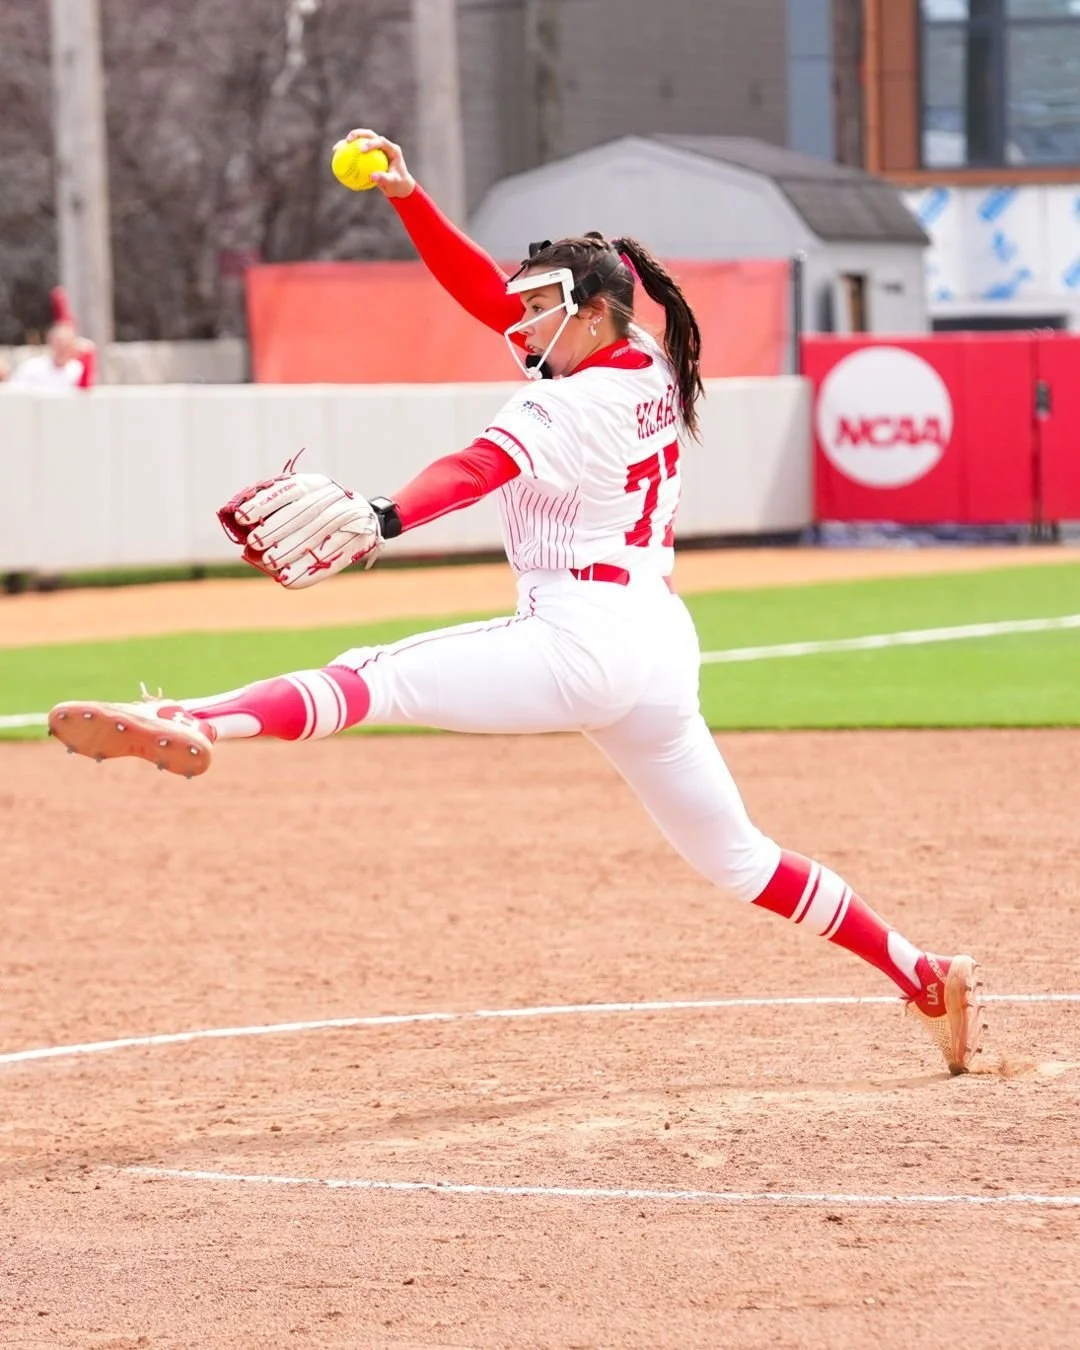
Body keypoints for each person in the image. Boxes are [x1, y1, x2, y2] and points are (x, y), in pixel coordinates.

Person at [47, 130, 985, 1074]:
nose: (521, 323)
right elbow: (486, 299)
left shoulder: (566, 404)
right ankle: (921, 971)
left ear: (591, 313)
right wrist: (411, 198)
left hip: (581, 640)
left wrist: (385, 515)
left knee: (374, 676)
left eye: (542, 308)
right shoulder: (640, 357)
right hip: (657, 646)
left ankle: (184, 716)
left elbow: (473, 467)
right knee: (739, 859)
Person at [9, 288, 96, 392]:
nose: (62, 349)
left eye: (67, 345)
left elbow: (83, 395)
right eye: (59, 343)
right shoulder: (31, 368)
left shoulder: (76, 371)